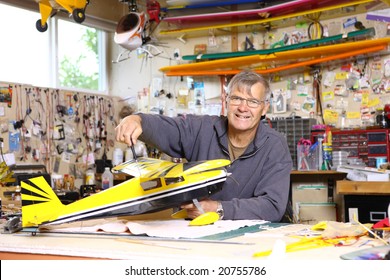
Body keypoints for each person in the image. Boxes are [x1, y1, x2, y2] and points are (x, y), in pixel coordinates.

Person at [115, 70, 293, 222]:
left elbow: (272, 206)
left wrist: (219, 209)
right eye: (237, 99)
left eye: (253, 101)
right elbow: (171, 129)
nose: (243, 108)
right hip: (199, 231)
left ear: (264, 108)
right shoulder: (202, 129)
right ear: (226, 101)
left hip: (254, 238)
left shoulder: (275, 145)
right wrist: (138, 120)